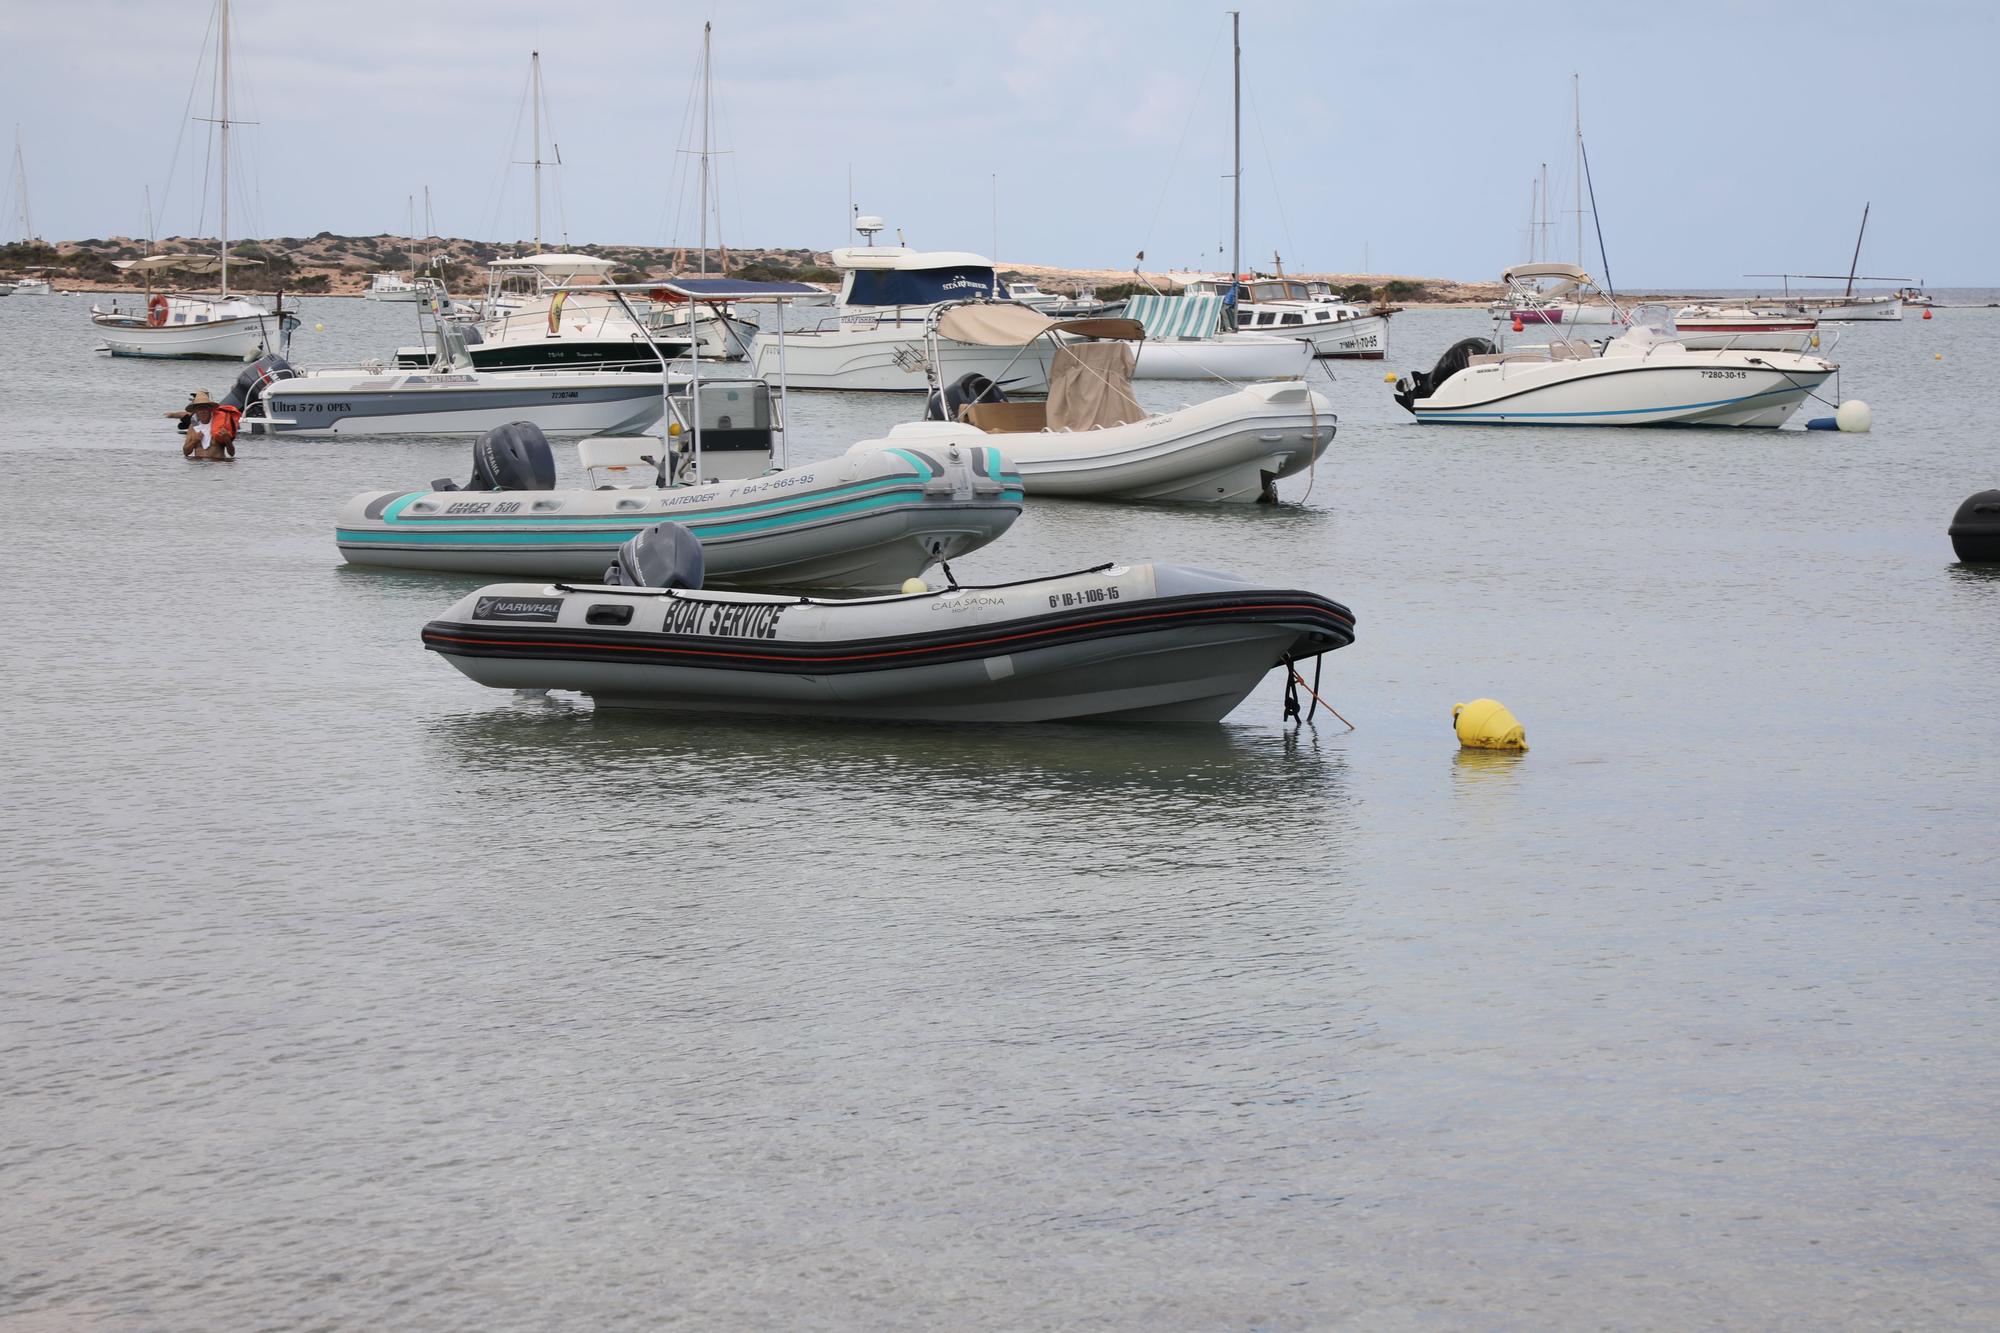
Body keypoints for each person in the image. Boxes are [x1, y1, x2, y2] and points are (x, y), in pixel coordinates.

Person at [170, 391, 239, 460]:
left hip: (216, 466)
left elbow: (232, 453)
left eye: (205, 408)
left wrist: (227, 439)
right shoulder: (193, 428)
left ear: (210, 409)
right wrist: (194, 441)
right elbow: (186, 452)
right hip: (198, 466)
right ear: (196, 411)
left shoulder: (219, 426)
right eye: (199, 409)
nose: (202, 411)